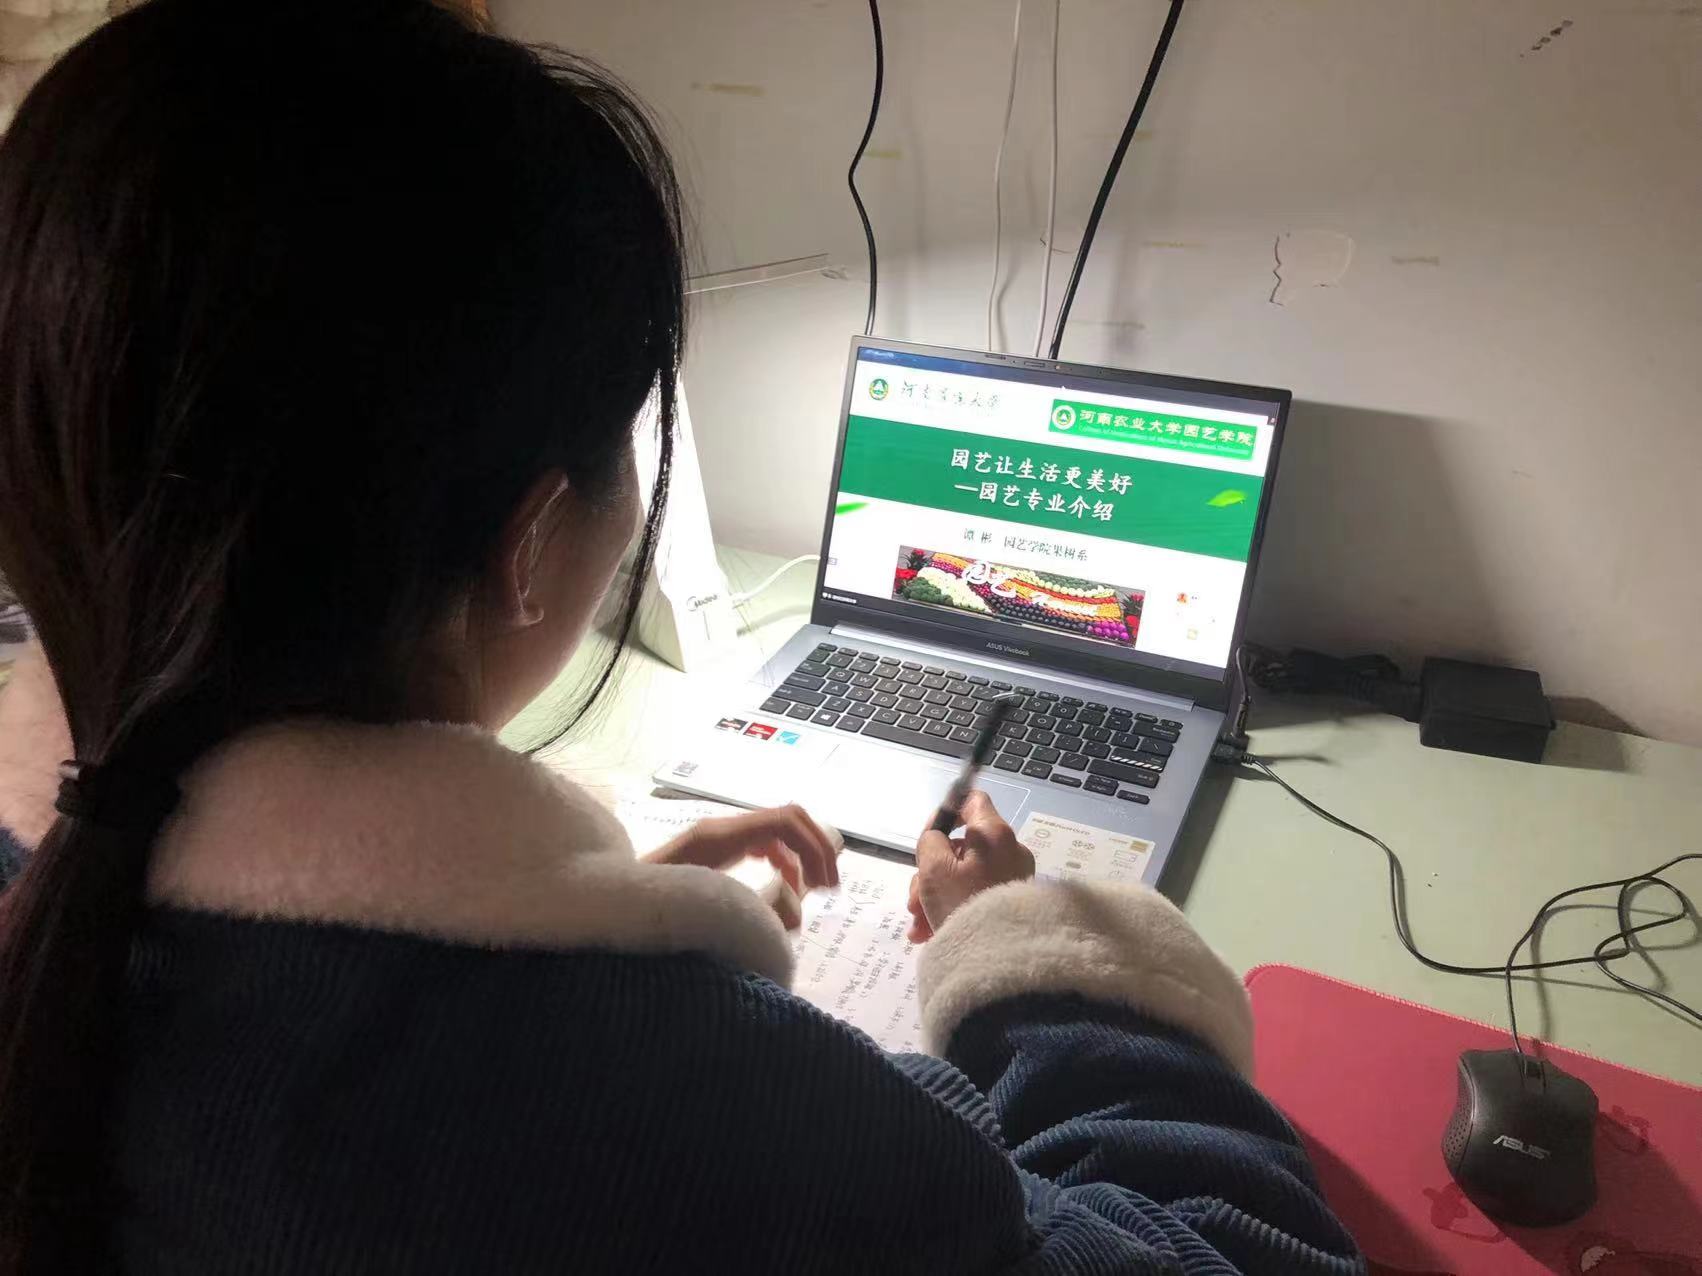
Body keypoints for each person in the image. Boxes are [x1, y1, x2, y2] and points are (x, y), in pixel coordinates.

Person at [0, 2, 1363, 1271]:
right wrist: (1037, 963)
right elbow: (1227, 1251)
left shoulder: (62, 890)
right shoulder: (685, 1105)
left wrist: (589, 911)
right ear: (533, 538)